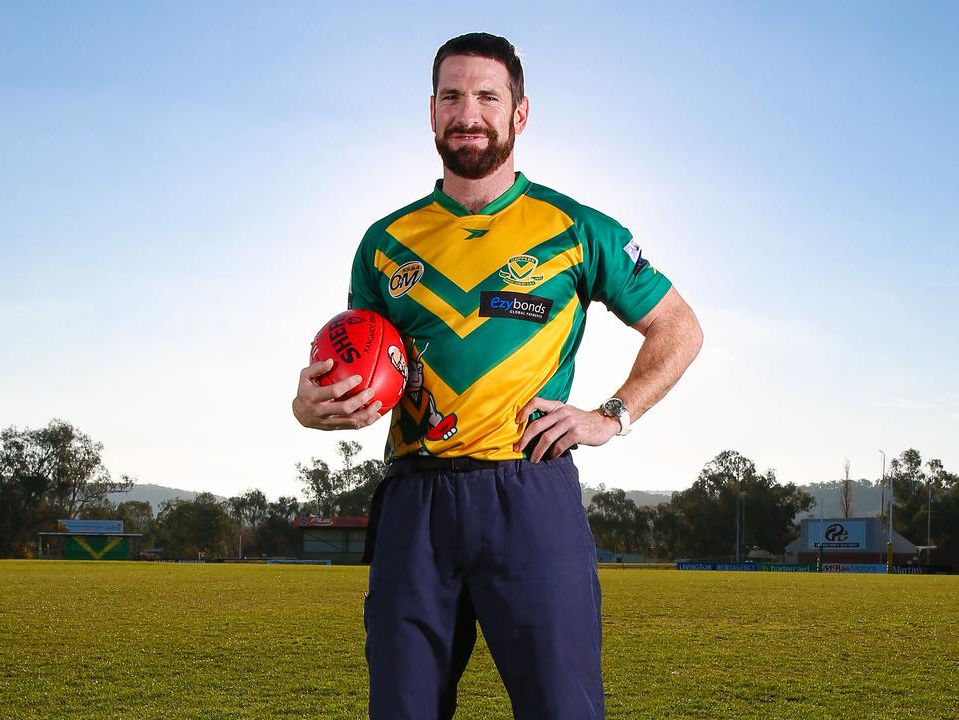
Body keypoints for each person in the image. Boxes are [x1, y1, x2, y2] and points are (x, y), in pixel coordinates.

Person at [293, 32, 702, 720]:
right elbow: (357, 362)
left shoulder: (577, 228)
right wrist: (310, 404)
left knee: (562, 710)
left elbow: (679, 328)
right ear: (431, 113)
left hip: (529, 490)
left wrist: (612, 415)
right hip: (414, 501)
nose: (468, 111)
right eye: (452, 95)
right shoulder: (385, 242)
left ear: (520, 113)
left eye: (487, 95)